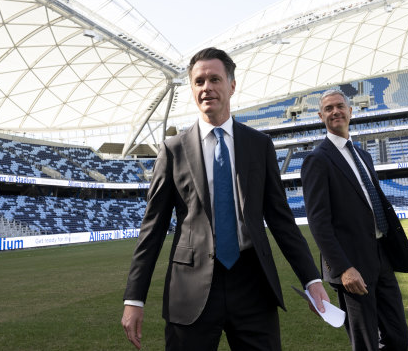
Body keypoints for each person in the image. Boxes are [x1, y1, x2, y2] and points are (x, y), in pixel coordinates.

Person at [121, 47, 329, 351]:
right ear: (192, 89)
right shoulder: (173, 150)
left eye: (215, 79)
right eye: (199, 81)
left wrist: (312, 280)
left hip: (253, 284)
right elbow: (152, 229)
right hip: (190, 288)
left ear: (232, 85)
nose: (207, 88)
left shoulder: (259, 146)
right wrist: (134, 298)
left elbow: (281, 220)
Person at [301, 89, 408, 351]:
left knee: (399, 337)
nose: (335, 112)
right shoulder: (316, 160)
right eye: (328, 109)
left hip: (381, 254)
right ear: (321, 116)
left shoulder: (364, 155)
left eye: (340, 106)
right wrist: (343, 268)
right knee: (366, 343)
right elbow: (318, 222)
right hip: (351, 265)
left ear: (351, 111)